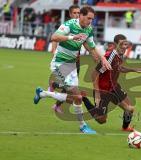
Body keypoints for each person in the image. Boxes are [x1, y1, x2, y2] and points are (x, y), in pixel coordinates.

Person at [34, 6, 111, 134]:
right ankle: (83, 127)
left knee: (74, 98)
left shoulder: (88, 29)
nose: (90, 21)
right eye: (88, 18)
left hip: (72, 66)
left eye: (92, 19)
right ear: (81, 15)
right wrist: (71, 37)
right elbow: (54, 37)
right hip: (59, 63)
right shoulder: (69, 25)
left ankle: (42, 93)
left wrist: (102, 59)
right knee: (77, 96)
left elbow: (91, 47)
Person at [82, 34, 141, 131]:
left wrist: (134, 70)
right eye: (122, 44)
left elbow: (119, 68)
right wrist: (97, 92)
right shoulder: (109, 56)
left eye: (125, 44)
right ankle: (84, 98)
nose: (125, 46)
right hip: (103, 90)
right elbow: (94, 74)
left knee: (130, 109)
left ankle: (125, 127)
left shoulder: (120, 55)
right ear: (116, 45)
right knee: (102, 120)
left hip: (114, 87)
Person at [51, 5, 98, 113]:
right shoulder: (69, 25)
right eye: (75, 13)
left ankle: (57, 102)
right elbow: (55, 38)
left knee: (72, 87)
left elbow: (86, 42)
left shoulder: (86, 28)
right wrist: (53, 50)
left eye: (78, 12)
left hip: (76, 60)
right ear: (71, 14)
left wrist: (92, 53)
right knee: (72, 89)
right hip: (63, 59)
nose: (77, 14)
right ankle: (53, 89)